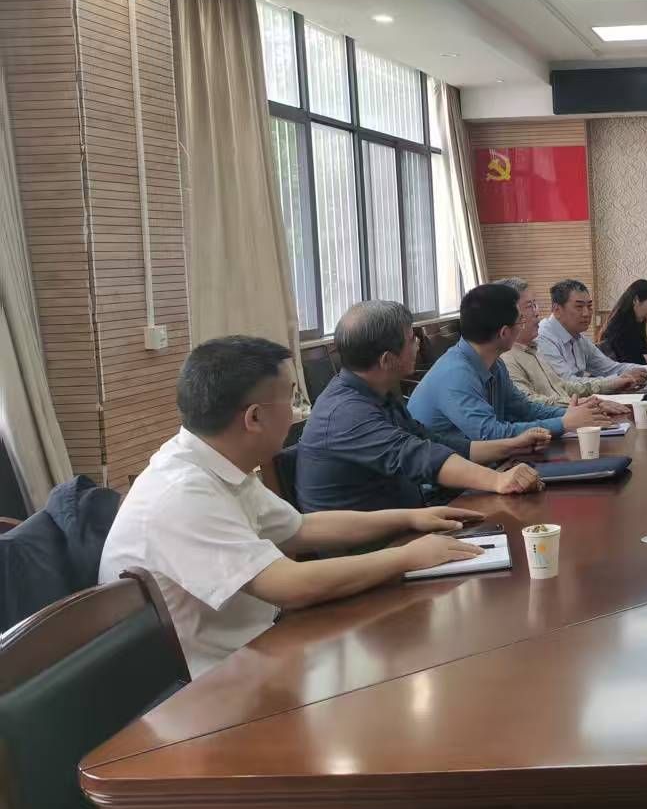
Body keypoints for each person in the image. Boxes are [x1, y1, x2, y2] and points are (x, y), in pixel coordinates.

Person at [98, 336, 486, 677]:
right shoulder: (181, 493)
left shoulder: (215, 463)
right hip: (211, 687)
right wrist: (407, 557)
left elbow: (301, 528)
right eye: (293, 398)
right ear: (254, 417)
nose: (300, 411)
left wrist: (410, 518)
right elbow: (288, 585)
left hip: (258, 648)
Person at [297, 301, 544, 512]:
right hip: (376, 545)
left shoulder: (376, 391)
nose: (418, 344)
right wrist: (498, 481)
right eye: (410, 339)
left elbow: (432, 442)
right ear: (387, 360)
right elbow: (419, 456)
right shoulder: (345, 412)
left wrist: (510, 445)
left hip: (407, 520)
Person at [408, 283, 610, 445]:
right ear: (504, 333)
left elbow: (524, 409)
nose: (525, 325)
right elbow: (491, 435)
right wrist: (563, 423)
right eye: (520, 321)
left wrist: (575, 414)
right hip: (448, 482)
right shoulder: (456, 374)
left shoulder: (494, 364)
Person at [498, 277, 643, 409]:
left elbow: (562, 386)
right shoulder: (507, 356)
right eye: (530, 306)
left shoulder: (532, 349)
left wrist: (612, 384)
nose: (537, 313)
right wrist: (586, 404)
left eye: (535, 305)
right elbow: (528, 403)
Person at [537, 279, 647, 385]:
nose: (586, 313)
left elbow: (609, 367)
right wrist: (618, 380)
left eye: (589, 306)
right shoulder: (543, 338)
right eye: (579, 306)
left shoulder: (578, 337)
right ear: (557, 310)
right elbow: (566, 383)